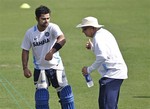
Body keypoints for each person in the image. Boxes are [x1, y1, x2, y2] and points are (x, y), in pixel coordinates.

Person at [21, 5, 75, 109]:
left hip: (56, 66)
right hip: (40, 68)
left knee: (66, 95)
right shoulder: (30, 33)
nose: (46, 21)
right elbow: (25, 50)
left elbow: (62, 38)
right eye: (43, 19)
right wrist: (25, 68)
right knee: (41, 98)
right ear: (37, 18)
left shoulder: (53, 27)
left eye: (48, 18)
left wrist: (52, 51)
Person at [76, 16, 128, 109]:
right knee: (110, 105)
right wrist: (93, 47)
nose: (83, 31)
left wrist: (89, 70)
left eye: (84, 29)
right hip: (116, 73)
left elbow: (102, 57)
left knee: (106, 106)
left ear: (92, 28)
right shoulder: (104, 33)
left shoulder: (98, 38)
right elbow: (106, 52)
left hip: (113, 74)